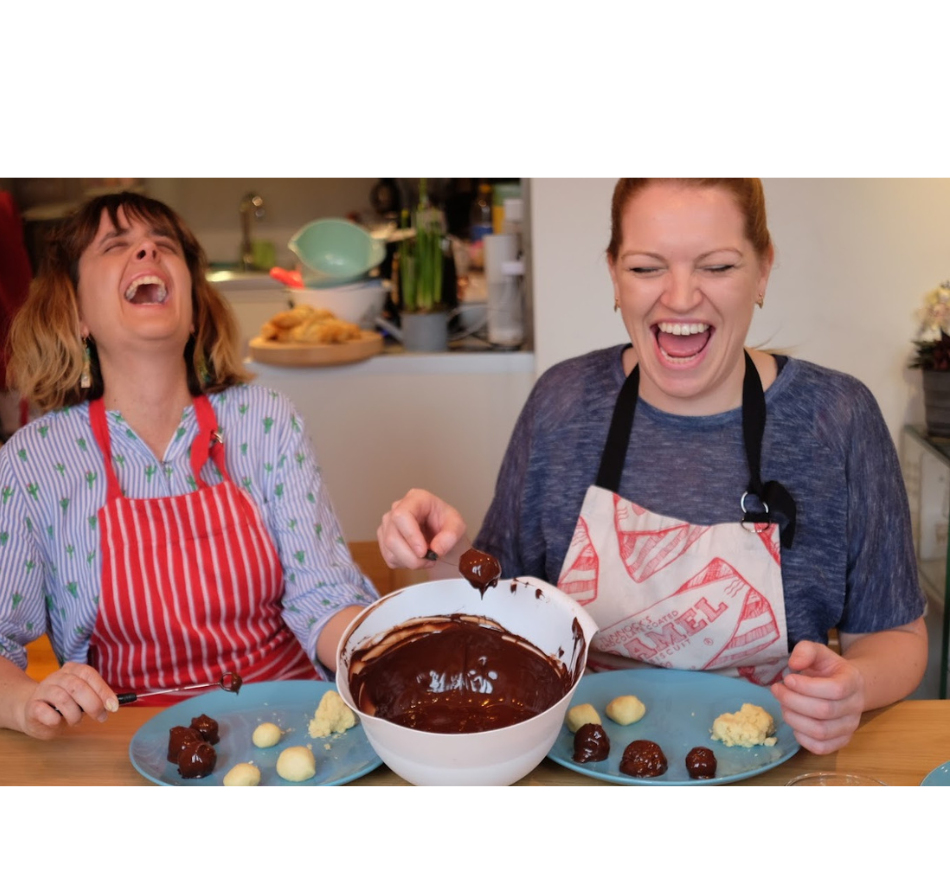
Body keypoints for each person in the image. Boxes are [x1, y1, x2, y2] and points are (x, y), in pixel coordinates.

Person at [378, 178, 927, 755]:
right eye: (646, 268)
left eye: (717, 266)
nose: (682, 297)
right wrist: (440, 552)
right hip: (579, 766)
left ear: (763, 271)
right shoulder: (563, 404)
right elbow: (496, 613)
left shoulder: (837, 418)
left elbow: (896, 635)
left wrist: (853, 687)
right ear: (615, 275)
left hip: (774, 771)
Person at [0, 191, 377, 738]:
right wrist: (25, 702)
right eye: (117, 245)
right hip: (127, 744)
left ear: (193, 306)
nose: (147, 254)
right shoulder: (36, 461)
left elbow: (325, 599)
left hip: (291, 727)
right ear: (77, 313)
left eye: (164, 246)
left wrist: (391, 651)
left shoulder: (265, 421)